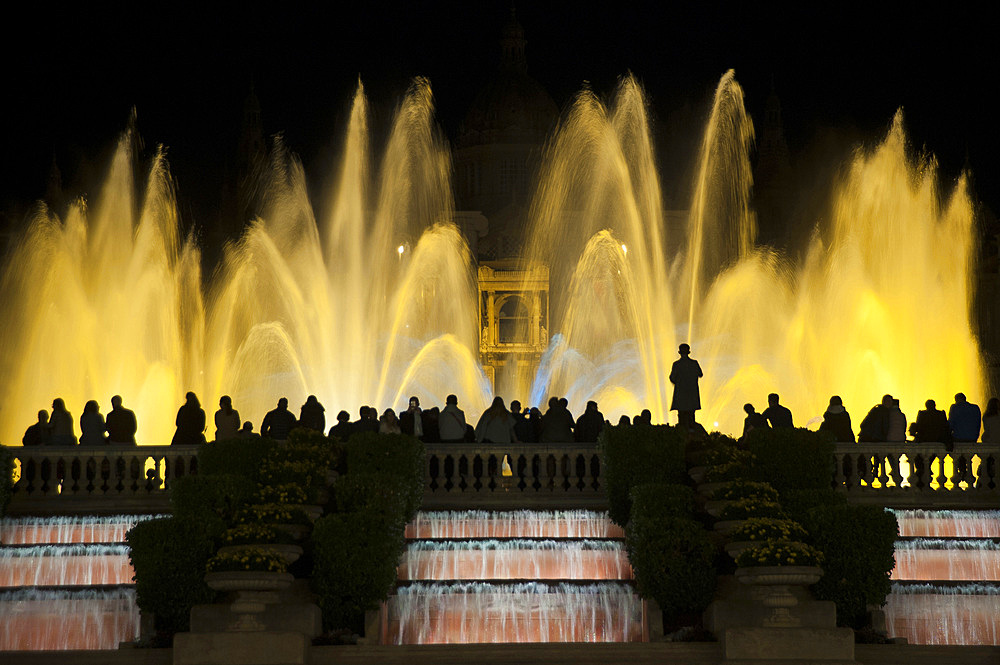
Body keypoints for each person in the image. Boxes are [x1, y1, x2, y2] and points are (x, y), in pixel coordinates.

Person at [669, 343, 703, 429]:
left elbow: (672, 378)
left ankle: (683, 433)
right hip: (692, 394)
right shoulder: (694, 363)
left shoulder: (676, 364)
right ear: (689, 352)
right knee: (691, 416)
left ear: (679, 352)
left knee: (681, 417)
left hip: (681, 395)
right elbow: (700, 374)